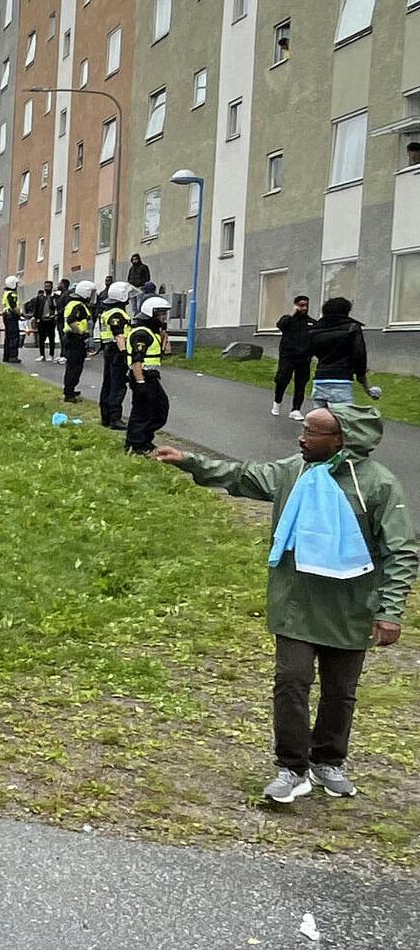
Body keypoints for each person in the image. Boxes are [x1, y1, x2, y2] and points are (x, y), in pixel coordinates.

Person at [154, 406, 412, 803]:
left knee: (340, 692)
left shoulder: (378, 485)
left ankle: (328, 761)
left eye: (312, 432)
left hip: (351, 606)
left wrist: (390, 610)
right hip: (296, 601)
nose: (301, 438)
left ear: (341, 440)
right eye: (304, 429)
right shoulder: (295, 472)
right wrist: (190, 461)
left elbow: (401, 551)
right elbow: (243, 476)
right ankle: (292, 768)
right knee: (291, 682)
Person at [308, 297, 380, 409]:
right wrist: (366, 385)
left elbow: (311, 352)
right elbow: (359, 355)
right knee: (343, 421)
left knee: (320, 423)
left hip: (319, 380)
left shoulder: (314, 330)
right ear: (346, 311)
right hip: (341, 381)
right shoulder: (352, 328)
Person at [125, 297, 173, 455]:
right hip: (142, 376)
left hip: (151, 377)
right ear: (151, 314)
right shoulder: (141, 334)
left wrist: (164, 336)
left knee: (160, 408)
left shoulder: (152, 332)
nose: (163, 318)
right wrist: (140, 382)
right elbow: (137, 360)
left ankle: (145, 439)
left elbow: (166, 352)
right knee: (142, 411)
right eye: (161, 314)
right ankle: (135, 444)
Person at [96, 281, 135, 430]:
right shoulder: (117, 313)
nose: (129, 299)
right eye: (127, 296)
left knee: (108, 383)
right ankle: (115, 418)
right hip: (117, 351)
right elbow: (119, 335)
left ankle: (106, 417)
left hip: (109, 350)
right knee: (117, 385)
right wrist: (125, 353)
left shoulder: (107, 311)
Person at [272, 296, 314, 421]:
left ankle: (296, 409)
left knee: (301, 383)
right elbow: (280, 325)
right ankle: (277, 402)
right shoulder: (288, 320)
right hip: (288, 356)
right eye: (301, 305)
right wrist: (292, 313)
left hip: (304, 358)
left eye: (306, 305)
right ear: (296, 305)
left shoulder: (311, 322)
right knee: (282, 379)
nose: (304, 308)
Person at [61, 280, 96, 401]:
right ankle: (69, 394)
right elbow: (71, 321)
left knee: (72, 366)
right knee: (74, 367)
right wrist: (81, 332)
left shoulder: (72, 303)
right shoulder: (78, 306)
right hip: (75, 339)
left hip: (71, 338)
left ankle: (70, 390)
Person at [28, 281, 58, 362]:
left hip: (51, 320)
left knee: (52, 338)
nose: (47, 288)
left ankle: (51, 355)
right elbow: (36, 309)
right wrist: (36, 318)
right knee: (41, 339)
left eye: (48, 286)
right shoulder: (40, 298)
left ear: (51, 287)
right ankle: (42, 355)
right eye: (45, 286)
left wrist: (55, 316)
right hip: (41, 321)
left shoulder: (55, 297)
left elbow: (57, 308)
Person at [0, 276, 23, 362]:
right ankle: (13, 356)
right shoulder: (12, 294)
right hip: (11, 316)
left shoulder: (5, 293)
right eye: (16, 284)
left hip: (6, 315)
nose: (17, 285)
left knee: (8, 337)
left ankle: (6, 356)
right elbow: (14, 307)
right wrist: (20, 314)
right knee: (14, 336)